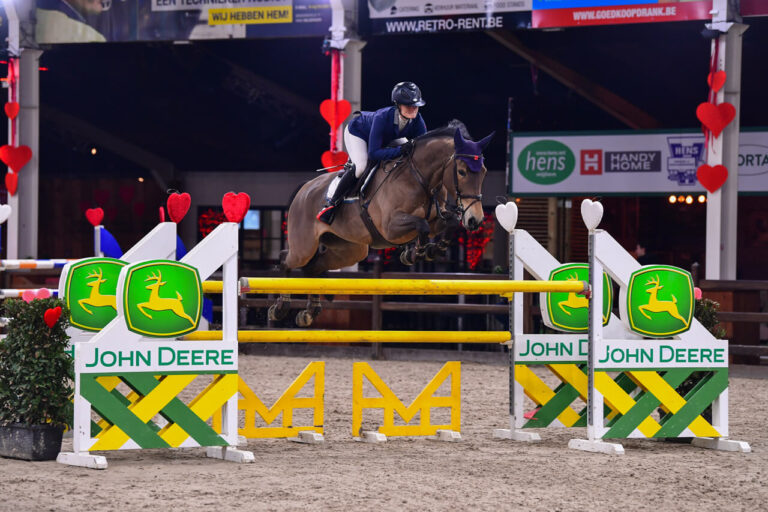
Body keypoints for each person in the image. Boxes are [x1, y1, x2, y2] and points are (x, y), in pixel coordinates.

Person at [316, 81, 428, 225]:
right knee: (361, 167)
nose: (413, 109)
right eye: (409, 105)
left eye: (416, 106)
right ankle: (331, 204)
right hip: (358, 133)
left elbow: (422, 148)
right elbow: (374, 154)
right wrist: (400, 150)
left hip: (388, 138)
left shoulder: (418, 121)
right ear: (398, 105)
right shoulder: (382, 117)